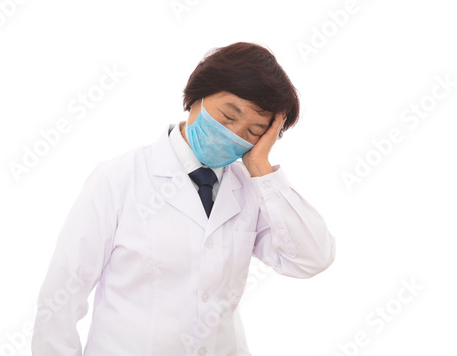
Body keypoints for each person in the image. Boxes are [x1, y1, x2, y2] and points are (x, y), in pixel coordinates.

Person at [31, 41, 336, 356]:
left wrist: (261, 169)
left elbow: (312, 258)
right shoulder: (118, 179)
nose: (235, 133)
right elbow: (61, 299)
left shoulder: (252, 190)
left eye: (254, 131)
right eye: (229, 115)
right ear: (196, 97)